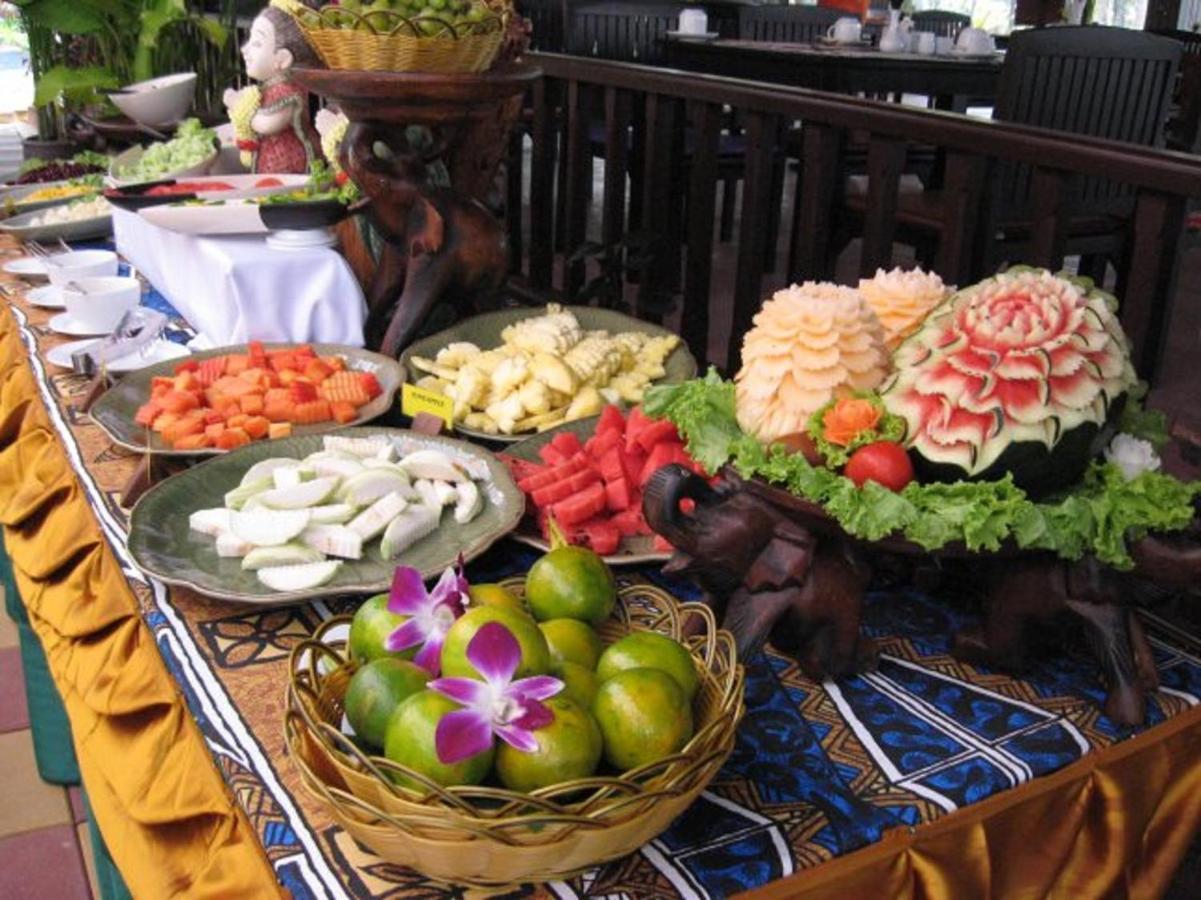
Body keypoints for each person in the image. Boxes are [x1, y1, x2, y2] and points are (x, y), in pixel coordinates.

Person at [223, 0, 322, 175]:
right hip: (271, 167)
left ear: (282, 59)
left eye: (257, 43)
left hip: (292, 167)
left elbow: (268, 124)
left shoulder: (289, 90)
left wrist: (239, 106)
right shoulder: (268, 88)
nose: (244, 49)